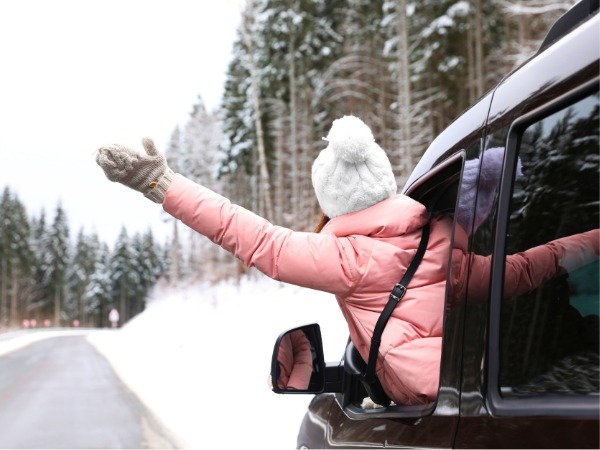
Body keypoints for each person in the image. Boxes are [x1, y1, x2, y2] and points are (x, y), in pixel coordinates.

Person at [95, 115, 598, 406]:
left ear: (332, 201)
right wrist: (594, 240)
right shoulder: (445, 246)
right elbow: (528, 267)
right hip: (493, 388)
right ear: (384, 180)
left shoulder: (347, 258)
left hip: (431, 408)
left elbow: (253, 238)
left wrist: (161, 185)